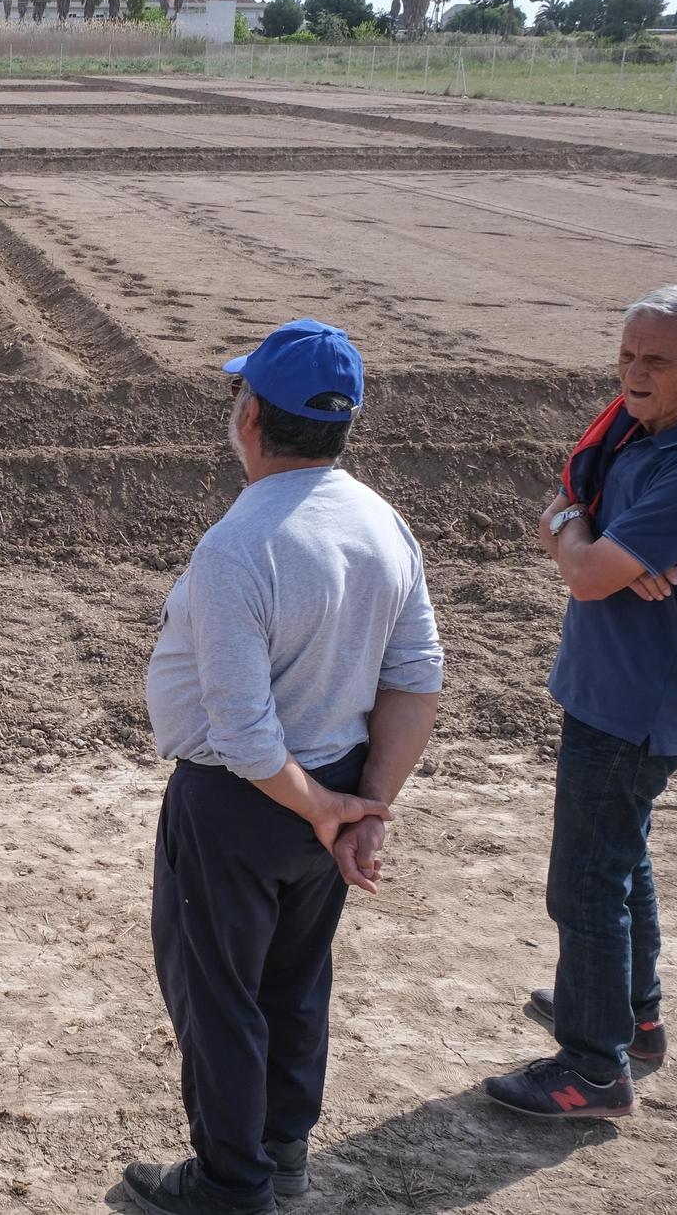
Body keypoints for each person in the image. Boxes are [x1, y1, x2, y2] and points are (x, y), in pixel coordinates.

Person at [126, 320, 443, 1215]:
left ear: (251, 415)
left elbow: (246, 734)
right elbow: (417, 678)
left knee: (221, 999)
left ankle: (231, 1185)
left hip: (240, 805)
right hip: (335, 782)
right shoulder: (382, 523)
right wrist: (364, 805)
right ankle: (284, 1154)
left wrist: (327, 810)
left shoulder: (240, 544)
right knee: (296, 984)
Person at [483, 287, 677, 1120]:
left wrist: (580, 540)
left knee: (584, 886)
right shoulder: (647, 437)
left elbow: (584, 567)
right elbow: (578, 533)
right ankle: (633, 1020)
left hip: (635, 707)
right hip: (619, 694)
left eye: (657, 361)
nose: (633, 375)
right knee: (622, 860)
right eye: (628, 355)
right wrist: (581, 527)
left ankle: (593, 1068)